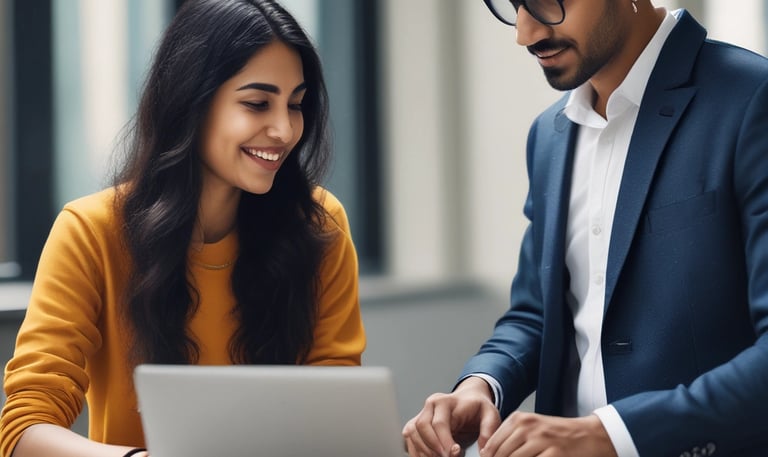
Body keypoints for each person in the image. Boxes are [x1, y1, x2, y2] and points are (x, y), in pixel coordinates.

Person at [0, 0, 366, 456]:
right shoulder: (90, 231)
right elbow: (24, 430)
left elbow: (335, 410)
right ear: (192, 101)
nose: (284, 129)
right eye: (257, 104)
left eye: (295, 105)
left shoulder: (318, 224)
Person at [403, 0, 768, 456]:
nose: (525, 33)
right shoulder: (549, 135)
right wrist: (482, 385)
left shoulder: (753, 100)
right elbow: (537, 313)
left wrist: (612, 434)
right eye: (514, 4)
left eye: (547, 1)